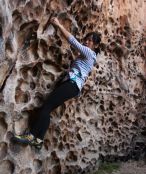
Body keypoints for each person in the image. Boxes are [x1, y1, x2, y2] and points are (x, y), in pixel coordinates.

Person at [13, 17, 101, 148]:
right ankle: (39, 140)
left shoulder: (90, 53)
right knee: (48, 110)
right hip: (72, 86)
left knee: (46, 107)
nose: (87, 42)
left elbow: (73, 41)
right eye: (87, 39)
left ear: (95, 45)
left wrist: (59, 25)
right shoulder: (87, 56)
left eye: (90, 41)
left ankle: (31, 136)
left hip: (72, 84)